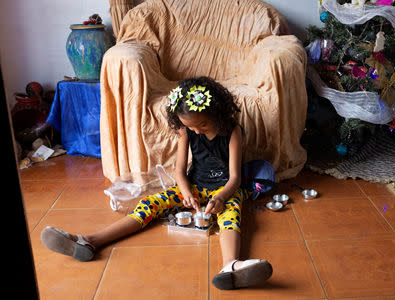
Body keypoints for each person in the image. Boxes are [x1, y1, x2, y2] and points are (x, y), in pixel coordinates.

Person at [41, 76, 273, 290]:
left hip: (226, 190)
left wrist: (221, 197)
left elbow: (234, 177)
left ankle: (230, 265)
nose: (197, 131)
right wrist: (186, 193)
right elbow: (179, 171)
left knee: (230, 216)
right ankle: (89, 241)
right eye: (191, 127)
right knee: (150, 203)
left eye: (202, 125)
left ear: (217, 113)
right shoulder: (187, 131)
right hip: (194, 186)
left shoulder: (232, 131)